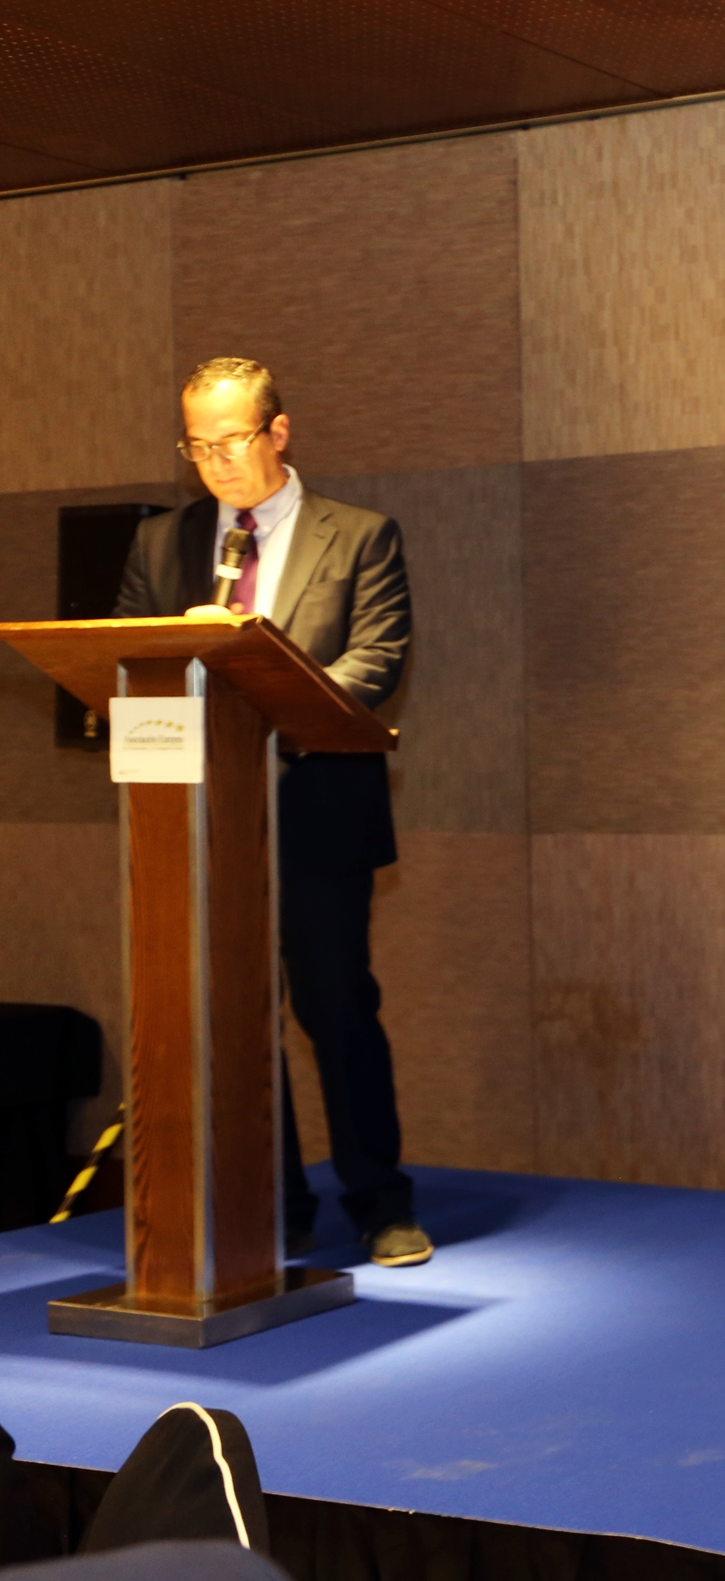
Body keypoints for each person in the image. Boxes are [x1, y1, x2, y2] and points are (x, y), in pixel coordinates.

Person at [116, 358, 430, 1269]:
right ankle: (275, 1205)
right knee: (236, 1015)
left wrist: (263, 698)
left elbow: (375, 660)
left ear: (278, 432)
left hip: (317, 810)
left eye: (232, 440)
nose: (215, 462)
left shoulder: (360, 535)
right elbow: (129, 653)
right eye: (197, 446)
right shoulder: (162, 543)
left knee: (338, 1007)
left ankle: (380, 1202)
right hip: (201, 822)